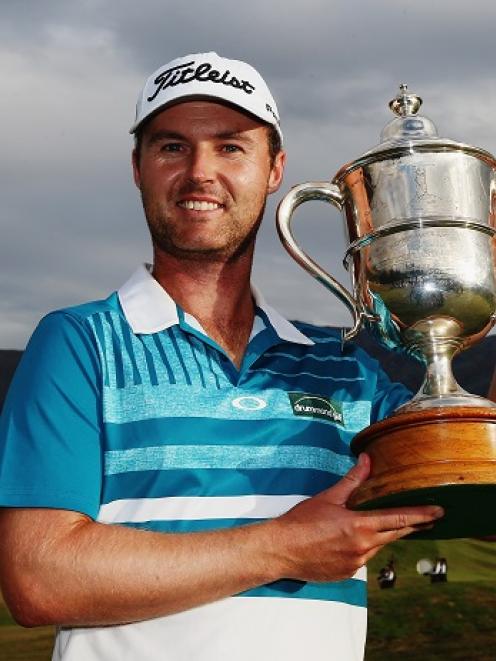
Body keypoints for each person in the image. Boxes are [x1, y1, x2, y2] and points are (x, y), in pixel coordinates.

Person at [0, 52, 443, 661]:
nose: (200, 172)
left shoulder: (344, 367)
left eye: (231, 147)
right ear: (138, 168)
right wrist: (284, 548)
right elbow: (40, 579)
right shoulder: (81, 343)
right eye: (172, 147)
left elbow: (468, 462)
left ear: (274, 170)